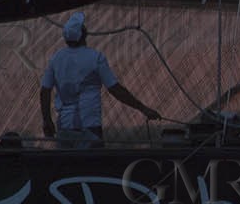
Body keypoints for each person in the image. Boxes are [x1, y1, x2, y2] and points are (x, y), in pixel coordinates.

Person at [38, 12, 161, 147]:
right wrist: (143, 108)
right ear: (83, 35)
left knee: (67, 166)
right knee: (93, 165)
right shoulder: (96, 57)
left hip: (64, 126)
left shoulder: (56, 59)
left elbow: (45, 91)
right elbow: (115, 89)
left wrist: (47, 120)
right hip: (90, 126)